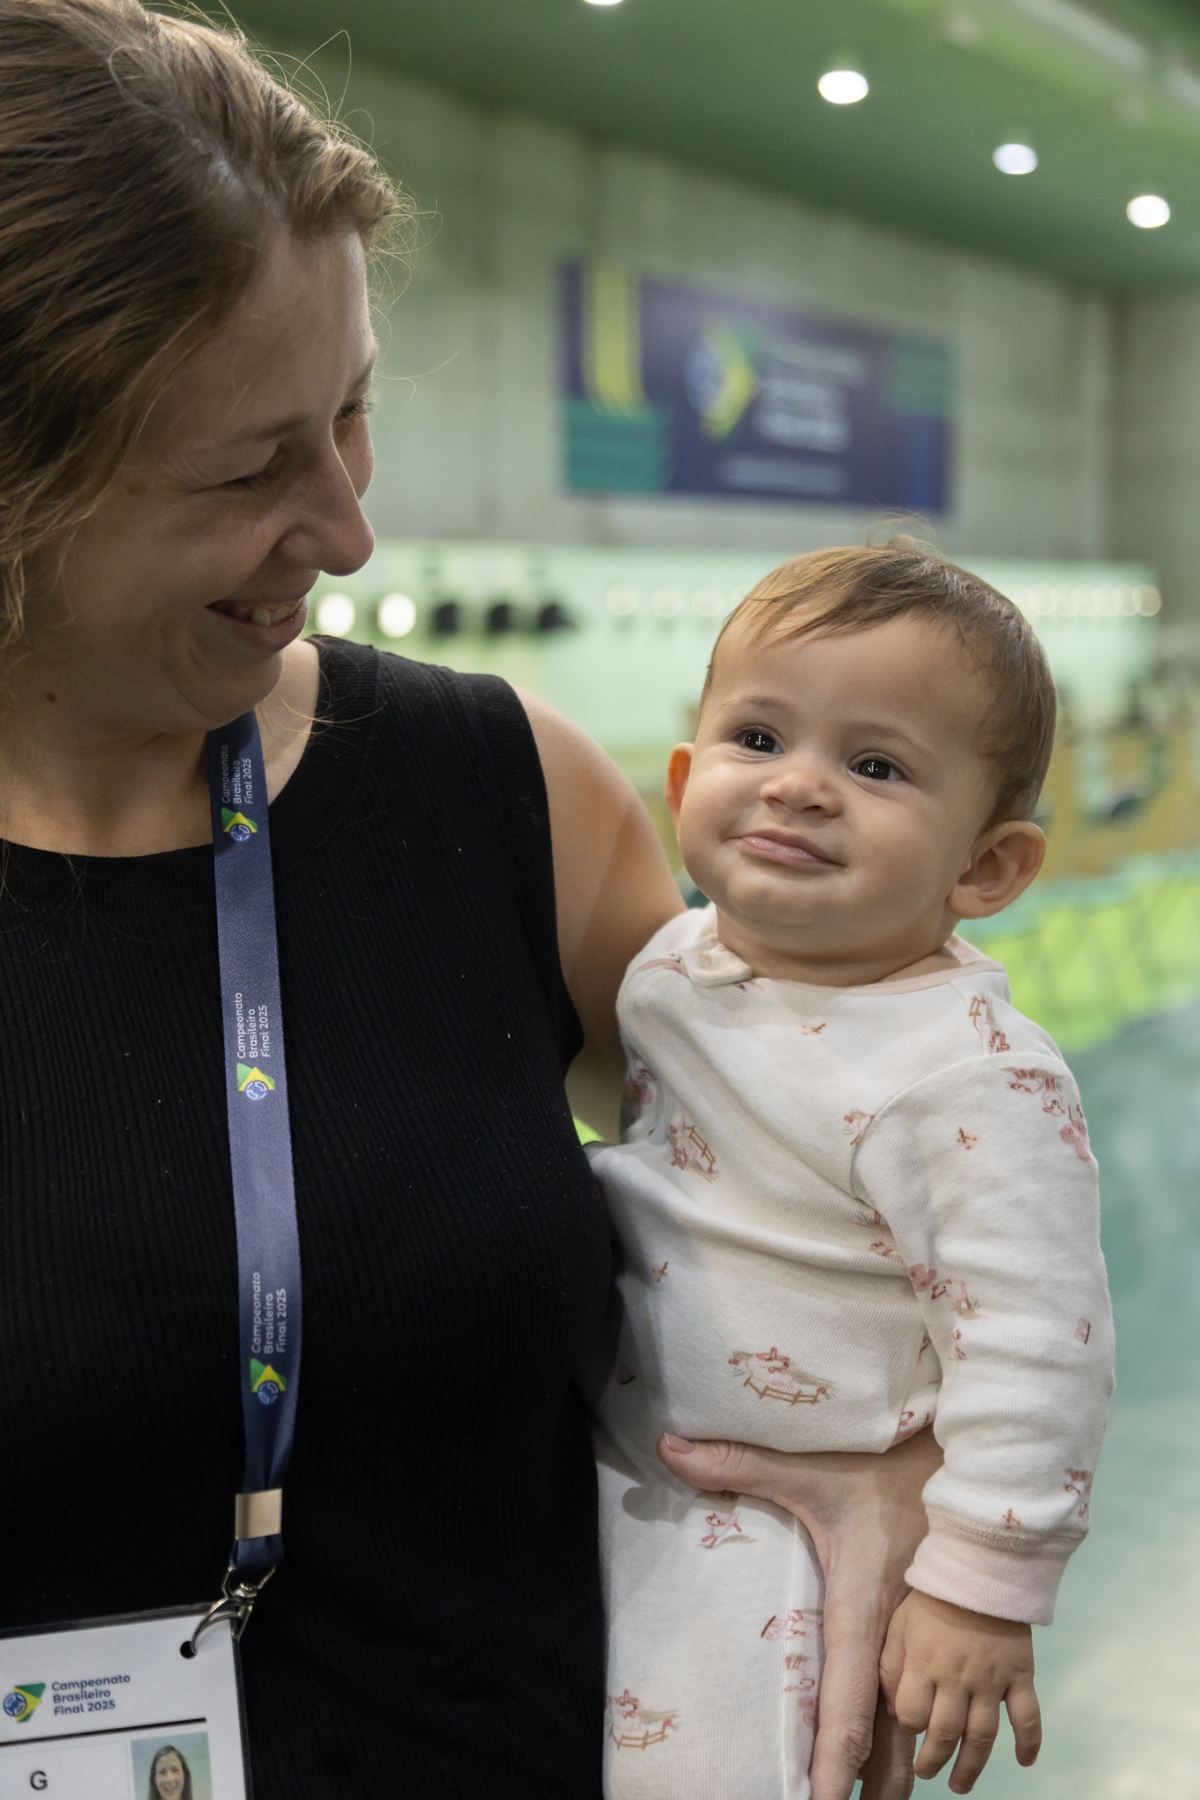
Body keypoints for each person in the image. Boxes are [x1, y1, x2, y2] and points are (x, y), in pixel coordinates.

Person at [0, 4, 938, 1794]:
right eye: (250, 467)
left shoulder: (509, 796)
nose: (347, 528)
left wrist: (903, 1455)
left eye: (350, 411)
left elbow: (868, 1165)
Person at [587, 545, 1115, 1800]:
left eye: (876, 767)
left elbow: (1039, 1343)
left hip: (792, 1551)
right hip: (631, 1482)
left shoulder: (967, 1075)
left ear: (986, 868)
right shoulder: (669, 968)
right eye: (759, 738)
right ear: (683, 783)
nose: (798, 787)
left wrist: (979, 1586)